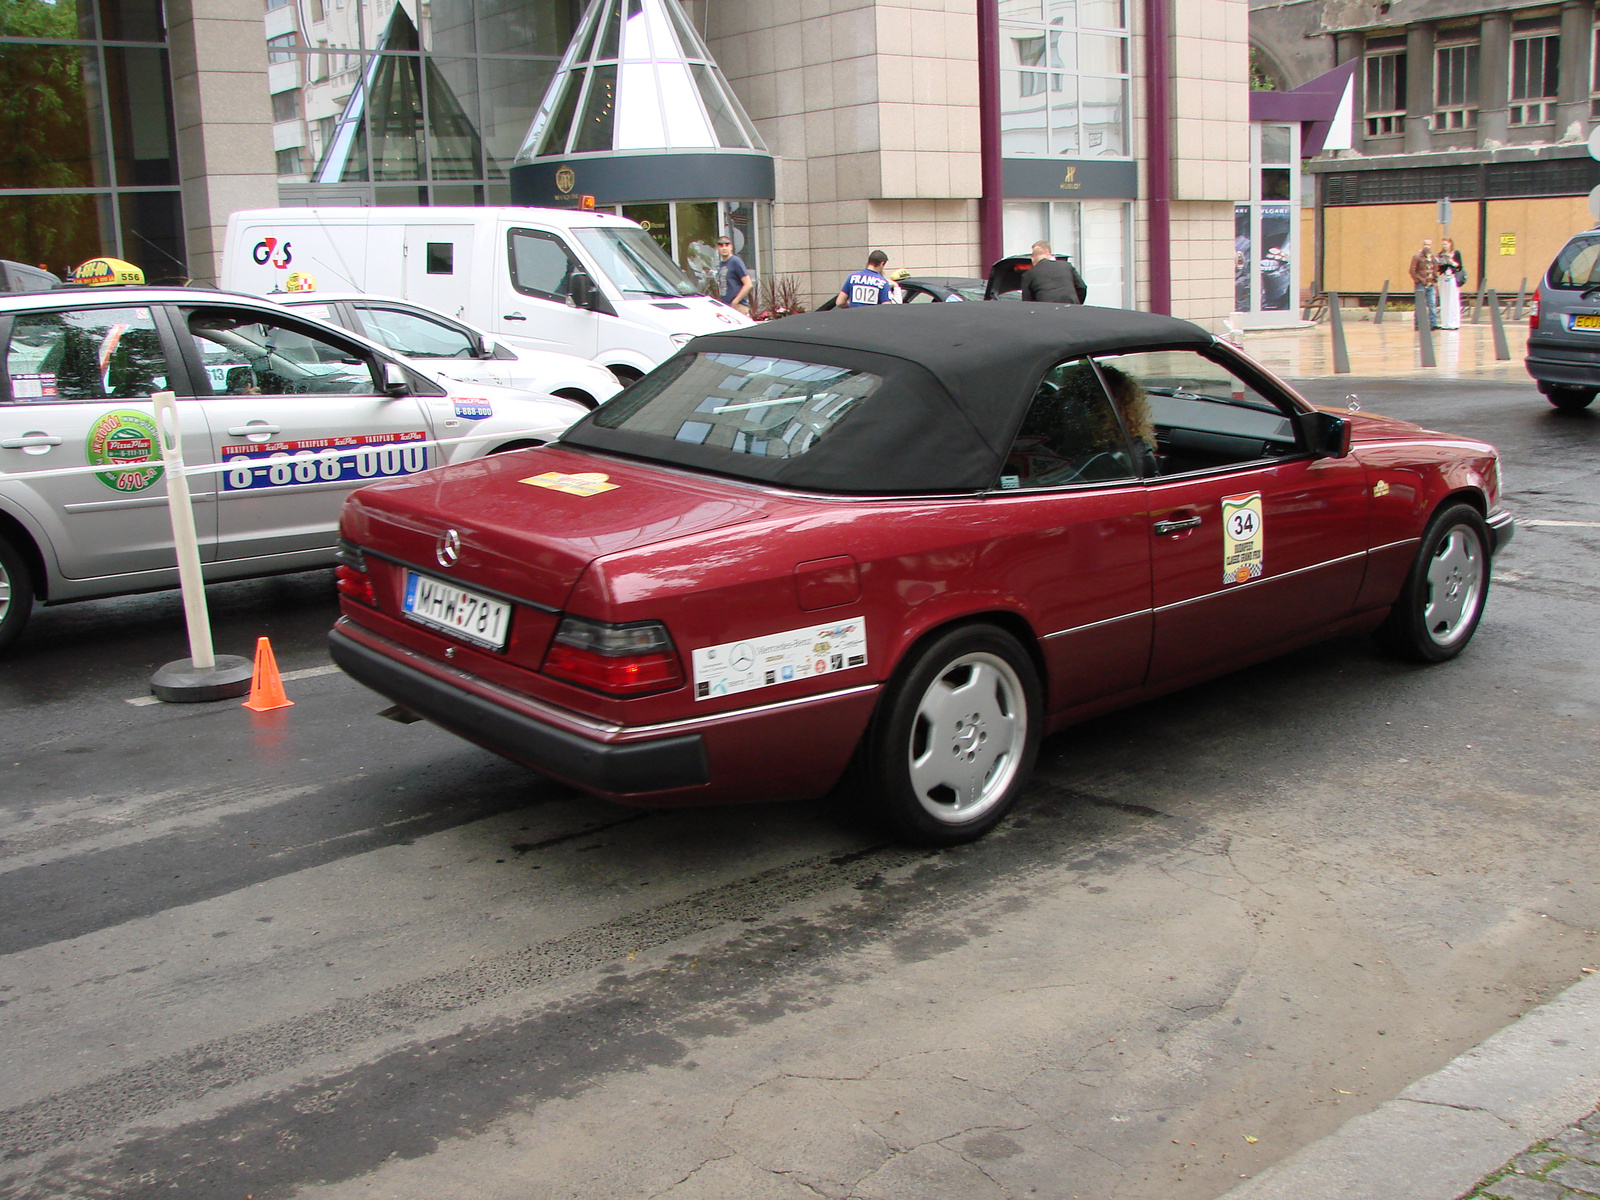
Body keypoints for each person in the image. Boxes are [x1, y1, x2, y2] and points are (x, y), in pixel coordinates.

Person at [1019, 240, 1087, 304]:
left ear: (1032, 259)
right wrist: (1076, 302)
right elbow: (1082, 287)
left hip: (1046, 310)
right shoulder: (1066, 265)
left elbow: (1027, 303)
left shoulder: (1028, 274)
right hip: (1071, 306)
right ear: (1049, 253)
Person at [715, 235, 752, 313]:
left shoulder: (735, 261)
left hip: (738, 306)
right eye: (721, 245)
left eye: (727, 245)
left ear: (731, 247)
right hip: (726, 306)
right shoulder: (721, 264)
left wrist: (735, 301)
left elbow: (748, 284)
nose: (724, 248)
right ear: (717, 248)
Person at [1409, 237, 1440, 330]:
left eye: (1429, 244)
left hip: (1431, 284)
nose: (1427, 246)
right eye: (1425, 244)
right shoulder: (1417, 257)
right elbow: (1412, 270)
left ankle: (1433, 324)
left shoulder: (1432, 257)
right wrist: (1419, 280)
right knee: (1420, 304)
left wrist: (1435, 277)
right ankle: (1418, 324)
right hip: (1421, 284)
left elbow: (1435, 268)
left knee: (1432, 304)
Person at [1436, 236, 1465, 330]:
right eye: (1443, 244)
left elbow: (1459, 267)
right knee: (1444, 299)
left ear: (1450, 244)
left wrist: (1451, 262)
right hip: (1443, 277)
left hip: (1452, 277)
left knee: (1453, 299)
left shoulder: (1456, 253)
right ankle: (1445, 323)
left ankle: (1454, 322)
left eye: (1446, 244)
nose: (1444, 246)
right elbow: (1438, 268)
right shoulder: (1441, 254)